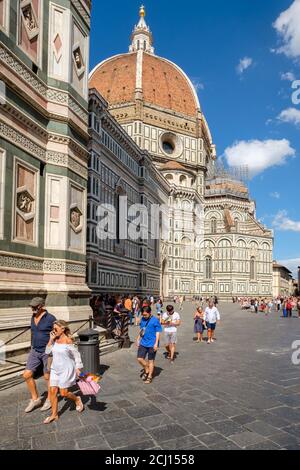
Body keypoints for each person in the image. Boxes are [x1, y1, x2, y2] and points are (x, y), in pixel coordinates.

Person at [43, 320, 84, 424]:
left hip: (66, 369)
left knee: (64, 393)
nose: (54, 330)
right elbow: (47, 352)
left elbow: (76, 355)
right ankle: (54, 414)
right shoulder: (54, 339)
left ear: (63, 329)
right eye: (53, 328)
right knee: (52, 391)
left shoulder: (68, 340)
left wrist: (78, 368)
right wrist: (51, 340)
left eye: (56, 329)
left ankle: (77, 399)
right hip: (55, 369)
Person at [23, 297, 56, 413]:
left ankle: (49, 399)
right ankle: (35, 399)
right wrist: (32, 345)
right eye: (31, 306)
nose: (32, 308)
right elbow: (33, 332)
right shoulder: (33, 317)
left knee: (47, 377)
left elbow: (57, 333)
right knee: (27, 375)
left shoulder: (51, 318)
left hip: (47, 352)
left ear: (41, 306)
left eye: (34, 306)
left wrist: (51, 346)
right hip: (35, 350)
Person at [136, 306, 162, 384]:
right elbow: (142, 330)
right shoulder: (143, 319)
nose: (144, 316)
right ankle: (147, 368)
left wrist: (156, 343)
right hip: (143, 342)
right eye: (143, 315)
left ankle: (150, 376)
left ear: (150, 313)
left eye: (145, 315)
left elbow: (158, 332)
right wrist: (138, 338)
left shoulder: (155, 320)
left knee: (151, 361)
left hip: (152, 343)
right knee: (139, 359)